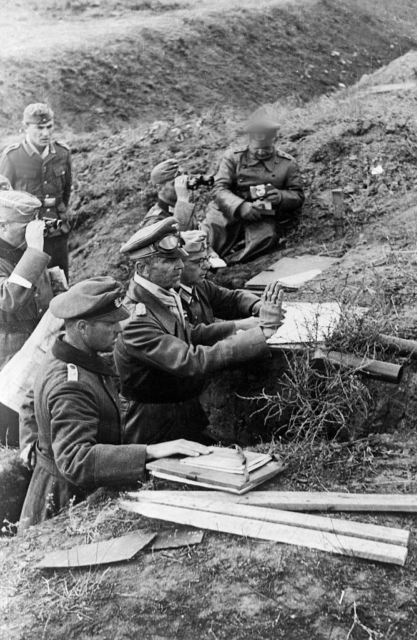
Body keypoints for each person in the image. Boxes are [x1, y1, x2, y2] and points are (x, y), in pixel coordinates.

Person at [19, 276, 210, 530]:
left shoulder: (62, 352)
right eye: (110, 323)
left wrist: (36, 444)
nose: (119, 329)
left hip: (60, 484)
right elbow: (76, 460)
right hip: (68, 502)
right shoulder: (72, 384)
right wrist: (149, 452)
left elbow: (32, 399)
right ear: (83, 327)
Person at [114, 217, 285, 446]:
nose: (180, 266)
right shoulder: (135, 319)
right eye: (168, 261)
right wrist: (259, 335)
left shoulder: (163, 293)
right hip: (154, 428)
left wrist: (245, 326)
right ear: (142, 268)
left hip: (184, 412)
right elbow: (191, 361)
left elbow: (191, 334)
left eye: (180, 259)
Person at [203, 116, 305, 264]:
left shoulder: (288, 164)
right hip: (228, 210)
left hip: (262, 215)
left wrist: (280, 197)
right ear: (250, 142)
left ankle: (229, 264)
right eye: (257, 149)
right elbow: (219, 188)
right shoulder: (233, 158)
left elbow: (298, 195)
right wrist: (241, 206)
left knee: (266, 238)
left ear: (274, 142)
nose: (262, 153)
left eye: (267, 149)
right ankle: (204, 260)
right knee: (211, 232)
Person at [0, 190, 54, 447]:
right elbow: (9, 299)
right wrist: (34, 251)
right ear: (2, 225)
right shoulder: (29, 253)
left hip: (35, 351)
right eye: (27, 227)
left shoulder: (25, 251)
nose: (35, 232)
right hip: (6, 357)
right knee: (9, 433)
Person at [0, 103, 72, 279]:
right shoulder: (13, 157)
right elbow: (4, 201)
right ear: (25, 127)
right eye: (39, 128)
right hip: (27, 239)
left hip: (57, 234)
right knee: (34, 289)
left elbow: (66, 193)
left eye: (49, 127)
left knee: (61, 285)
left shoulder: (63, 153)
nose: (46, 133)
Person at [179, 229, 262, 327]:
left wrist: (258, 306)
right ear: (178, 264)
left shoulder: (200, 286)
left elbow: (233, 300)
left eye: (206, 259)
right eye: (198, 262)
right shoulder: (169, 298)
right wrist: (238, 326)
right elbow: (194, 334)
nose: (207, 266)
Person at [141, 159, 199, 231]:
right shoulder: (154, 222)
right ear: (160, 188)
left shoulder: (182, 207)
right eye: (175, 183)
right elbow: (179, 238)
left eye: (182, 182)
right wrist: (182, 199)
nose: (181, 187)